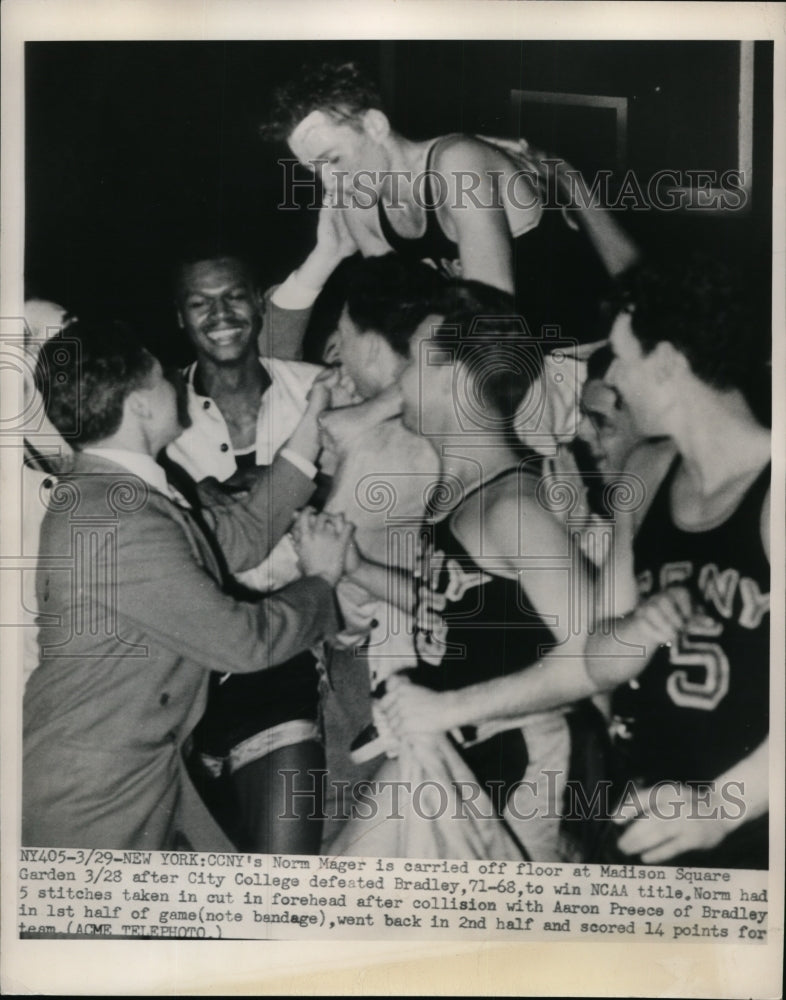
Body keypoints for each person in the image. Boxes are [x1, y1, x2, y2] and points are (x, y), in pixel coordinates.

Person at [24, 320, 351, 850]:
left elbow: (240, 537)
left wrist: (312, 419)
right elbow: (242, 642)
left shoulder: (119, 494)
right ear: (140, 405)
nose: (176, 378)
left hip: (136, 772)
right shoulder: (116, 519)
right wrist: (322, 578)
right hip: (90, 795)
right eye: (161, 375)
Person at [319, 280, 607, 861]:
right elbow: (456, 604)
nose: (400, 380)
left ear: (453, 378)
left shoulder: (512, 508)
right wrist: (355, 567)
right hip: (448, 747)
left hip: (515, 762)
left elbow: (598, 654)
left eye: (415, 362)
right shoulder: (459, 494)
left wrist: (451, 709)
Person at [164, 242, 352, 854]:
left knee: (280, 884)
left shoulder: (322, 392)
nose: (220, 315)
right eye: (200, 303)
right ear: (180, 318)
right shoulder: (154, 413)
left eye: (234, 296)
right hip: (184, 674)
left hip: (292, 655)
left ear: (258, 304)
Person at [585, 255, 770, 868]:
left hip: (747, 833)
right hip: (643, 813)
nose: (611, 377)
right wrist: (635, 631)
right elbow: (599, 658)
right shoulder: (643, 472)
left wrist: (720, 807)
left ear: (665, 364)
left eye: (619, 356)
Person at [261, 60, 639, 343]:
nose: (328, 181)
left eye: (333, 159)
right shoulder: (359, 203)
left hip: (588, 351)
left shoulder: (457, 161)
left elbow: (490, 318)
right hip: (506, 370)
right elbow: (396, 323)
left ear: (375, 126)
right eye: (313, 169)